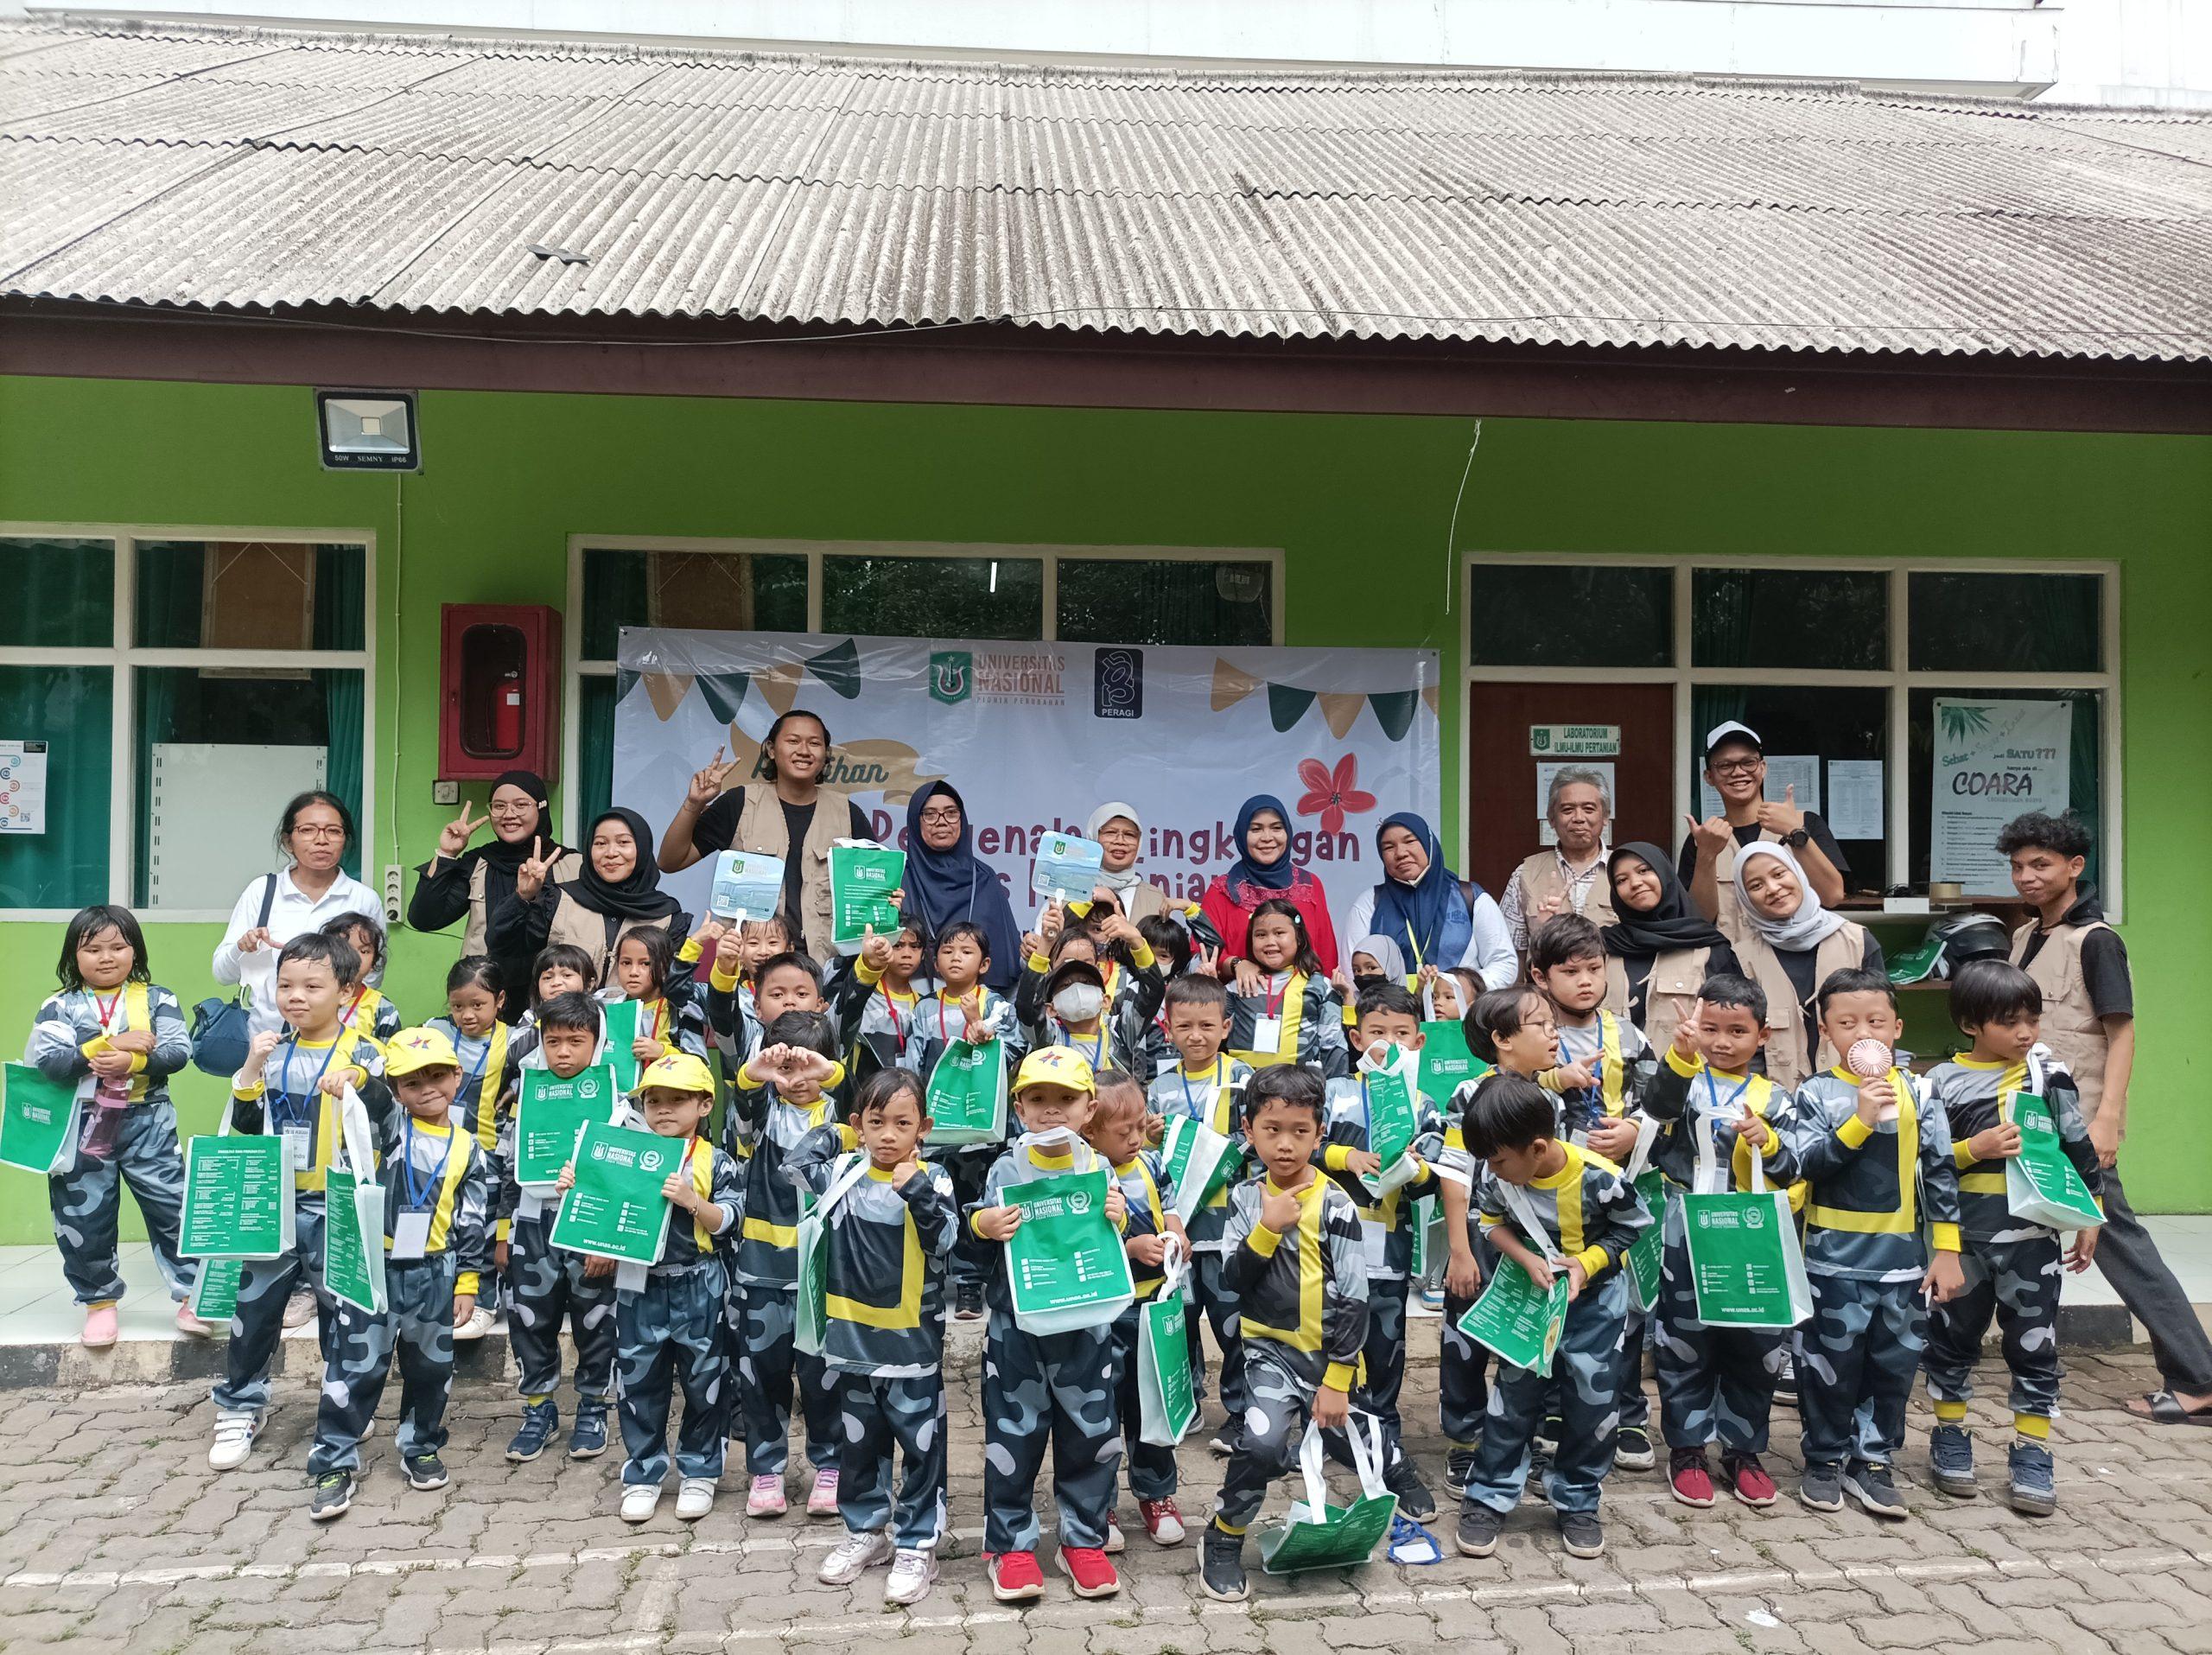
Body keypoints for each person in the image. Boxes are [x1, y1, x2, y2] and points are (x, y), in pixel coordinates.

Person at [1998, 811, 2212, 1426]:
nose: (2027, 877)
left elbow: (2122, 1034)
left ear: (2075, 866)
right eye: (2017, 866)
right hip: (2033, 1118)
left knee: (2120, 1244)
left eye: (2041, 864)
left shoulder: (2096, 940)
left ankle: (2198, 1377)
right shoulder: (2024, 938)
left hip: (2079, 1122)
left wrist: (2108, 1119)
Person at [1760, 969, 1964, 1520]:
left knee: (1892, 1369)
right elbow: (1805, 1164)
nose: (1862, 1033)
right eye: (1846, 1023)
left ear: (1896, 1028)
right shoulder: (1814, 1094)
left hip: (1903, 1266)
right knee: (1827, 1366)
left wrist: (1946, 1250)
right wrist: (1859, 1121)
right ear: (1825, 1032)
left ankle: (1872, 1461)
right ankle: (1824, 1459)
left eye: (1875, 1021)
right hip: (1831, 1263)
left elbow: (1941, 1173)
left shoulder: (1921, 1091)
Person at [1921, 959, 2102, 1516]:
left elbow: (2077, 1147)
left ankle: (2032, 1449)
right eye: (2009, 1022)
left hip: (2032, 1241)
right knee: (1951, 1342)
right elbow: (1923, 1165)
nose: (2025, 1033)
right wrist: (1974, 1150)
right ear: (1971, 1023)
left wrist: (2090, 1214)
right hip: (1962, 1244)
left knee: (2035, 1346)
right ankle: (1950, 1436)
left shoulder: (2048, 1076)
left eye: (2032, 1019)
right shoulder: (1939, 1084)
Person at [207, 932, 390, 1472]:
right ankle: (241, 1406)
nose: (297, 996)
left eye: (313, 985)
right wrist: (248, 1073)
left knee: (345, 1312)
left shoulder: (363, 1050)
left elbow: (385, 1115)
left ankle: (343, 1407)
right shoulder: (271, 1047)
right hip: (274, 1203)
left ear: (346, 990)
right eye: (286, 985)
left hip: (335, 1205)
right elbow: (245, 1126)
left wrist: (359, 1080)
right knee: (255, 1310)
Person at [1452, 1073, 1651, 1563]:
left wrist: (1587, 1263)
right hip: (1531, 1303)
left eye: (1498, 1160)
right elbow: (1491, 1222)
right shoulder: (1504, 1178)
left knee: (1592, 1403)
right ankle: (1488, 1496)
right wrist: (1524, 1259)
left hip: (1596, 1309)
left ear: (1538, 1147)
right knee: (1512, 1399)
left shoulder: (1601, 1178)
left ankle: (1578, 1499)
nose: (1492, 1170)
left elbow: (1632, 1230)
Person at [305, 1028, 494, 1521]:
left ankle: (422, 1445)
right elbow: (369, 1095)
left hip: (436, 1273)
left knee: (431, 1370)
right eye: (412, 1082)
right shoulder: (389, 1126)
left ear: (457, 1077)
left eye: (438, 1076)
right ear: (397, 1090)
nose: (427, 1088)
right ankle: (334, 1462)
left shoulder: (470, 1148)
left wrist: (468, 1283)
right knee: (354, 1369)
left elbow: (472, 1220)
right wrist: (359, 1076)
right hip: (376, 1269)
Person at [1198, 1066, 1371, 1604]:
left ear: (1320, 1135)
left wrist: (1339, 1377)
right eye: (1272, 1129)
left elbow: (1355, 1296)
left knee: (1364, 1440)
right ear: (1248, 1130)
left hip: (1329, 1357)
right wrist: (1268, 1227)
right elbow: (1232, 1279)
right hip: (1269, 1354)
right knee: (1266, 1443)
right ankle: (1224, 1536)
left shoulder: (1338, 1204)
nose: (1286, 1144)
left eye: (1300, 1131)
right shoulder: (1246, 1200)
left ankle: (1401, 1487)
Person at [787, 1068, 959, 1607]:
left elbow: (948, 1242)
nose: (888, 1135)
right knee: (858, 1447)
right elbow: (794, 1163)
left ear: (922, 1128)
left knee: (920, 1448)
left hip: (910, 1351)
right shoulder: (842, 1172)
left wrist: (917, 1195)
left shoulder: (935, 1179)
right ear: (859, 1125)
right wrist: (842, 1131)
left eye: (902, 1124)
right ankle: (866, 1531)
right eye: (876, 1122)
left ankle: (917, 1541)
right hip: (851, 1345)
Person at [967, 1047, 1129, 1603]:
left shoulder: (1097, 1165)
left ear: (1090, 1109)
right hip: (1018, 1329)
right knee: (1014, 1434)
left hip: (1085, 1327)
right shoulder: (1006, 1167)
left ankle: (1083, 1538)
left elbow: (1118, 1228)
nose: (1052, 1111)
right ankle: (1010, 1546)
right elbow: (978, 1225)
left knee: (1091, 1435)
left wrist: (1118, 1214)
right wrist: (984, 1223)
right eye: (1038, 1099)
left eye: (1066, 1099)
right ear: (1018, 1106)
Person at [562, 1052, 741, 1524]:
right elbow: (596, 1209)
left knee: (705, 1379)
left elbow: (731, 1221)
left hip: (700, 1282)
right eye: (654, 1100)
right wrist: (575, 1190)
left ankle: (700, 1471)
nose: (663, 1109)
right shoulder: (624, 1153)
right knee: (639, 1380)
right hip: (638, 1285)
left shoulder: (715, 1160)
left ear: (704, 1105)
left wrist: (692, 1201)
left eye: (678, 1100)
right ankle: (643, 1473)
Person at [1640, 978, 1792, 1511]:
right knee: (1685, 1341)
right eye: (1711, 1030)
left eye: (1737, 1031)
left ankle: (1743, 1451)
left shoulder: (1776, 1098)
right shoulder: (1684, 1082)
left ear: (1763, 1035)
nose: (1722, 1041)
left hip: (1751, 1230)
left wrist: (1767, 1141)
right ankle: (1686, 1450)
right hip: (1687, 1225)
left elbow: (1796, 1165)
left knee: (1754, 1342)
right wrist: (1681, 1055)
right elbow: (1655, 1111)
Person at [27, 905, 203, 1346]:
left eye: (118, 947)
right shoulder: (59, 1004)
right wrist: (108, 1045)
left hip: (149, 1121)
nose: (106, 957)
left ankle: (193, 1298)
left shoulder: (157, 998)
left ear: (134, 950)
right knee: (84, 1216)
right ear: (74, 955)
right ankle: (99, 1304)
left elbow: (179, 1051)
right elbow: (48, 1062)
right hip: (82, 1125)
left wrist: (133, 1060)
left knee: (173, 1209)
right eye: (93, 949)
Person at [1528, 913, 1655, 1471]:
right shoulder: (1531, 1034)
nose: (1585, 980)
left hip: (1613, 1195)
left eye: (1594, 969)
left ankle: (1626, 1414)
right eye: (1570, 971)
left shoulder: (1628, 1034)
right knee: (1553, 1296)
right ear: (1539, 976)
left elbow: (1662, 1101)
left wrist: (1636, 1130)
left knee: (1622, 1307)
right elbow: (1505, 1089)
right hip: (1544, 1198)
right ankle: (1554, 1408)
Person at [1435, 985, 1565, 1500]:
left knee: (1524, 1344)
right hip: (1477, 1239)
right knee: (1464, 1344)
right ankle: (1465, 1442)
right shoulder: (1471, 1094)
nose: (1554, 1033)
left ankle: (1516, 1441)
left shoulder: (1551, 1099)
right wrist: (1460, 1252)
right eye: (1541, 1025)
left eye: (1554, 1024)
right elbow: (1453, 1174)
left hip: (1530, 1244)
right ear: (1503, 1040)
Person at [1318, 981, 1440, 1519]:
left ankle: (1386, 1441)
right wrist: (1347, 1157)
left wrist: (1414, 1170)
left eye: (1400, 1034)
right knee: (1328, 1348)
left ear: (1418, 1041)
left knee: (1385, 1354)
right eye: (1375, 1033)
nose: (1387, 1043)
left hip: (1389, 1256)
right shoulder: (1332, 1092)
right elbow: (1301, 1146)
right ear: (1355, 1036)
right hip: (1326, 1254)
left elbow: (1432, 1180)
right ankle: (1327, 1431)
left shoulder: (1424, 1104)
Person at [728, 1012, 849, 1517]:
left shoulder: (845, 1120)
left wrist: (831, 1071)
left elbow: (864, 1101)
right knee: (762, 1377)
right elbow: (746, 1107)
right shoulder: (763, 1119)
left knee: (824, 1378)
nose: (797, 1080)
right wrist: (755, 1076)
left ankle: (830, 1465)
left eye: (808, 1069)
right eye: (786, 1069)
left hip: (824, 1276)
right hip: (764, 1273)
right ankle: (766, 1470)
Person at [497, 991, 620, 1466]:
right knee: (530, 1319)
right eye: (553, 1041)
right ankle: (538, 1410)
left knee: (596, 1322)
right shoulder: (527, 1093)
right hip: (532, 1223)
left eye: (576, 1040)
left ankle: (593, 1408)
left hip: (588, 1223)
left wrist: (605, 1237)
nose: (563, 1051)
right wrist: (503, 1231)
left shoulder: (615, 1097)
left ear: (597, 1042)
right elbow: (508, 1166)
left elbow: (620, 1171)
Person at [657, 713, 875, 961]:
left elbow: (870, 894)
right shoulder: (739, 803)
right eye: (793, 741)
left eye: (814, 743)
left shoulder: (847, 814)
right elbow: (670, 862)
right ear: (771, 749)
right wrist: (693, 804)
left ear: (825, 754)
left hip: (822, 969)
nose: (804, 751)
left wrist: (887, 899)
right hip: (747, 968)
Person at [1146, 973, 1255, 1443]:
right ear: (1167, 1028)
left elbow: (1257, 1141)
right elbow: (1152, 1160)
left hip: (1229, 1227)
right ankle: (1184, 1401)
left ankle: (1240, 1409)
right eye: (1185, 1026)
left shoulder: (1243, 1080)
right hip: (1180, 1231)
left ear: (1226, 1027)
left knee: (1234, 1325)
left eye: (1207, 1026)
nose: (1196, 1036)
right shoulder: (1159, 1088)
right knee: (1183, 1321)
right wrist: (1153, 1138)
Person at [1085, 1071, 1191, 1549]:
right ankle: (1100, 1506)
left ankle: (1157, 1494)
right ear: (1090, 1129)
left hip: (1153, 1307)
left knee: (1152, 1407)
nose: (1134, 1139)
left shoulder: (1150, 1162)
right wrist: (1129, 1248)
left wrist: (1177, 1232)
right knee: (1102, 1409)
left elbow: (1170, 1202)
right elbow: (1083, 1242)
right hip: (1106, 1312)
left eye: (1138, 1127)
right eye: (1122, 1131)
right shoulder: (1083, 1173)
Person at [408, 771, 579, 1022]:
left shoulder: (572, 864)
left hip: (556, 1001)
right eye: (499, 806)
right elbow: (425, 918)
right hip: (487, 1002)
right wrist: (446, 854)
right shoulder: (478, 862)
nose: (509, 814)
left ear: (542, 808)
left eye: (521, 805)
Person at [212, 790, 380, 1036]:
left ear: (345, 839)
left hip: (340, 1045)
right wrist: (242, 948)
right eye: (308, 830)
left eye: (334, 831)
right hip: (267, 1041)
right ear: (288, 841)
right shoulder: (262, 892)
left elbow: (371, 976)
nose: (322, 840)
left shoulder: (363, 899)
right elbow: (222, 974)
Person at [1726, 843, 1884, 1089]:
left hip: (1856, 1096)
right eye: (1756, 886)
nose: (1773, 888)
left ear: (1798, 873)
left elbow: (1881, 1022)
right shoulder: (1743, 957)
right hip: (1776, 1104)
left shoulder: (1858, 941)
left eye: (1779, 874)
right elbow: (1743, 1039)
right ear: (1745, 898)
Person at [1679, 722, 1849, 943]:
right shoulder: (1702, 839)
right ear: (1709, 776)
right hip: (1728, 967)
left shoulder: (1805, 822)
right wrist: (1707, 855)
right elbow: (1697, 919)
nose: (1738, 772)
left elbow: (1833, 896)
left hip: (1798, 961)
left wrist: (1794, 832)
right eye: (1724, 765)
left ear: (1763, 768)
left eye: (1748, 762)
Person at [493, 807, 690, 988]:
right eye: (600, 843)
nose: (611, 853)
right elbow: (503, 945)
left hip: (635, 1026)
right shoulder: (559, 900)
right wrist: (523, 897)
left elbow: (673, 987)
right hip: (562, 1023)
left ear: (643, 848)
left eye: (623, 842)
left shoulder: (667, 916)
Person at [1345, 812, 1516, 991]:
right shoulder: (1369, 904)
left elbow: (1503, 963)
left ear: (1429, 844)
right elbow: (1352, 972)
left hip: (1461, 1016)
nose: (1400, 853)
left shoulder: (1471, 898)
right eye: (1388, 847)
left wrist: (1458, 991)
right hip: (1391, 1016)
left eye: (1410, 841)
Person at [1600, 843, 1740, 1056]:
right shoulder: (1605, 946)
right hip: (1616, 1084)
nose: (1635, 883)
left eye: (1644, 870)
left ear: (1664, 872)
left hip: (1692, 1082)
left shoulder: (1709, 946)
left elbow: (1735, 1024)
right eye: (1621, 880)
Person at [900, 781, 1024, 994]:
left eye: (951, 813)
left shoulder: (985, 878)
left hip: (977, 1005)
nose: (941, 822)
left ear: (962, 820)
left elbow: (1005, 962)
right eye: (930, 814)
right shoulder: (899, 876)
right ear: (915, 822)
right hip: (909, 1002)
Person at [1201, 795, 1340, 977]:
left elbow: (1326, 954)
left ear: (1288, 833)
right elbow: (1201, 952)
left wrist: (1327, 998)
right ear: (1242, 835)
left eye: (1276, 828)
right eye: (1256, 829)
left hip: (1303, 1001)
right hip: (1239, 1000)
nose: (1267, 838)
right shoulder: (1222, 890)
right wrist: (1237, 964)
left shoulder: (1310, 884)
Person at [1224, 897, 1348, 1078]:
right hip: (1243, 1087)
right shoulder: (1238, 986)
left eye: (1279, 933)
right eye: (1260, 935)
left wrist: (1336, 1089)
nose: (1269, 941)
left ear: (1298, 937)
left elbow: (1333, 1043)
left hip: (1299, 1087)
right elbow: (1212, 1031)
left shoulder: (1320, 987)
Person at [1501, 767, 1618, 957]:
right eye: (1567, 810)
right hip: (1545, 985)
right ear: (1551, 819)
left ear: (1605, 817)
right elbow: (1510, 956)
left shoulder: (1627, 871)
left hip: (1613, 986)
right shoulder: (1525, 874)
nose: (1579, 818)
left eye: (1589, 809)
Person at [1088, 801, 1173, 922]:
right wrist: (1088, 897)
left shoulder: (1154, 898)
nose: (1120, 841)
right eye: (1110, 833)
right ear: (1094, 837)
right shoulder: (1069, 889)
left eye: (1129, 835)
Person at [321, 914, 403, 1041]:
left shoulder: (382, 1009)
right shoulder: (308, 997)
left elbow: (391, 1058)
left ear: (374, 962)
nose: (355, 957)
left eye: (364, 951)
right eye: (345, 948)